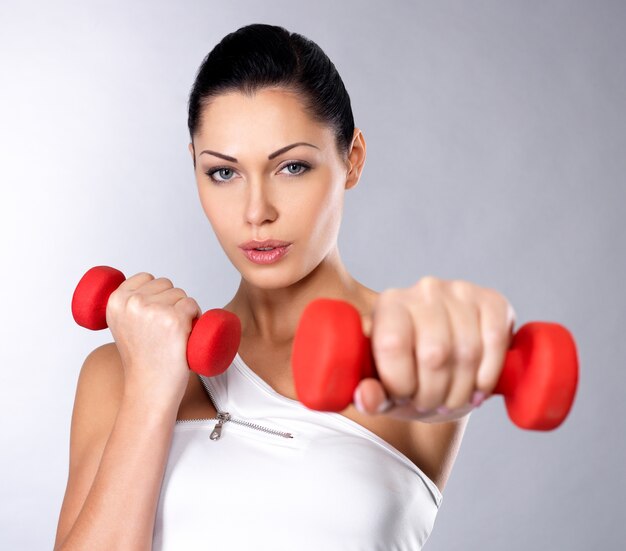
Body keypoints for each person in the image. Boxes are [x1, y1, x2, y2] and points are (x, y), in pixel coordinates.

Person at [54, 23, 516, 550]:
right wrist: (151, 389)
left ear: (353, 159)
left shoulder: (405, 351)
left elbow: (468, 355)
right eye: (224, 173)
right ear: (195, 170)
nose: (257, 212)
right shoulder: (117, 372)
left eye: (291, 166)